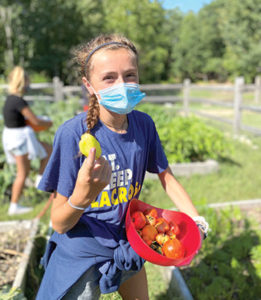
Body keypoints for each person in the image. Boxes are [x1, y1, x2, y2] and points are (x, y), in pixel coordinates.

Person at [36, 34, 209, 300]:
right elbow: (59, 222)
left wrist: (196, 221)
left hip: (129, 241)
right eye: (109, 77)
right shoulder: (72, 134)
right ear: (89, 85)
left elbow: (167, 177)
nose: (122, 85)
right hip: (83, 251)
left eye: (130, 75)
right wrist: (83, 196)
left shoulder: (144, 125)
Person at [2, 66, 53, 215]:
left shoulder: (11, 99)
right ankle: (14, 205)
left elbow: (24, 120)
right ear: (23, 81)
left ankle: (40, 181)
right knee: (22, 173)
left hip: (16, 138)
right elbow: (34, 121)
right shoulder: (18, 101)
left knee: (48, 150)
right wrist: (48, 124)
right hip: (19, 140)